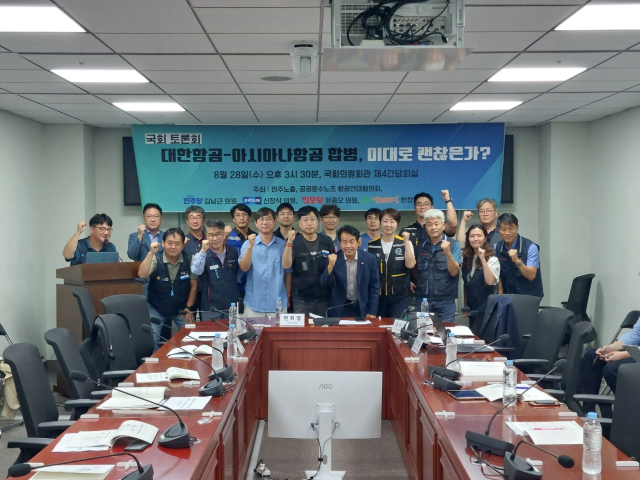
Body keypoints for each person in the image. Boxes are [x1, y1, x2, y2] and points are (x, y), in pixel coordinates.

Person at [138, 228, 198, 351]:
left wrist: (188, 308)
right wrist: (151, 253)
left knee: (192, 340)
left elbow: (194, 286)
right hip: (157, 308)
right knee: (152, 342)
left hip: (182, 309)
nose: (173, 247)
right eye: (170, 243)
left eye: (177, 243)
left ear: (183, 245)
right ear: (163, 243)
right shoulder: (156, 258)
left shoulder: (189, 260)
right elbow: (142, 274)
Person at [577, 318, 640, 413]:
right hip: (636, 351)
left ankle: (630, 411)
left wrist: (623, 355)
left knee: (613, 369)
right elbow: (636, 334)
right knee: (592, 356)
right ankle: (588, 412)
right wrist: (610, 348)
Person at [239, 207, 292, 317]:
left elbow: (288, 271)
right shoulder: (247, 244)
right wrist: (250, 247)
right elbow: (244, 267)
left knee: (279, 330)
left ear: (274, 221)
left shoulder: (283, 245)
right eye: (261, 219)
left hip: (278, 304)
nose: (265, 222)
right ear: (256, 223)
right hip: (253, 304)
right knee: (252, 329)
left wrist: (288, 296)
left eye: (268, 219)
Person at [282, 206, 334, 317]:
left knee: (323, 327)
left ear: (318, 222)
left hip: (324, 298)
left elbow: (332, 267)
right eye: (305, 220)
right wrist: (289, 242)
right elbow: (286, 265)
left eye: (312, 219)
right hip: (301, 298)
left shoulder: (327, 241)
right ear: (299, 223)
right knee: (303, 327)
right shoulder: (294, 242)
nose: (309, 223)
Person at [320, 225, 380, 319]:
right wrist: (330, 265)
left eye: (351, 242)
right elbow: (324, 283)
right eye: (344, 242)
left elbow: (375, 287)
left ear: (358, 242)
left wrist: (372, 311)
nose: (348, 246)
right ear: (340, 243)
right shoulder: (334, 258)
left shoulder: (369, 259)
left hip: (362, 307)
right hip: (341, 307)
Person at [367, 209, 415, 318]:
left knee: (397, 326)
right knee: (379, 326)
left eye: (392, 221)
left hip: (400, 296)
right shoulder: (372, 245)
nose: (388, 225)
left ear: (397, 224)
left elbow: (410, 265)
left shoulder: (404, 243)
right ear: (380, 223)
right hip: (378, 297)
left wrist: (406, 242)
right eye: (385, 221)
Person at [415, 209, 461, 321]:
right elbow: (413, 269)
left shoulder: (454, 244)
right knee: (422, 329)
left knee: (446, 330)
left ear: (443, 226)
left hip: (446, 300)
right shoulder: (420, 245)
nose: (433, 227)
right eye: (429, 224)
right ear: (425, 227)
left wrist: (448, 252)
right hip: (423, 299)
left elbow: (454, 272)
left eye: (436, 224)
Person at [191, 219, 240, 321]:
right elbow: (196, 271)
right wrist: (203, 250)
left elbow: (240, 273)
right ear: (206, 236)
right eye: (211, 235)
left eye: (218, 234)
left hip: (232, 306)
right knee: (211, 331)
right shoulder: (202, 254)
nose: (215, 238)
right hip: (210, 308)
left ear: (223, 234)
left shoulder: (234, 251)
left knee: (232, 331)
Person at [495, 213, 544, 298]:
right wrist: (500, 297)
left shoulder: (530, 247)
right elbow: (499, 276)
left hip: (530, 296)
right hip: (508, 296)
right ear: (498, 229)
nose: (507, 233)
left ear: (517, 228)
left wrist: (517, 261)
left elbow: (531, 275)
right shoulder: (497, 247)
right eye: (503, 229)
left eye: (511, 228)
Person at [461, 224, 500, 329]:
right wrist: (466, 304)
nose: (475, 239)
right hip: (472, 307)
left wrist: (483, 259)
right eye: (472, 236)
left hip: (487, 307)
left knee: (481, 336)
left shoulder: (492, 258)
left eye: (479, 235)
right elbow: (467, 283)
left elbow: (490, 281)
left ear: (485, 238)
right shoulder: (467, 257)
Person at [227, 203, 256, 299]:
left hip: (254, 285)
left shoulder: (257, 237)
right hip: (233, 286)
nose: (241, 218)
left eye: (244, 214)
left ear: (249, 218)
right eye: (238, 215)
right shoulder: (227, 237)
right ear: (233, 219)